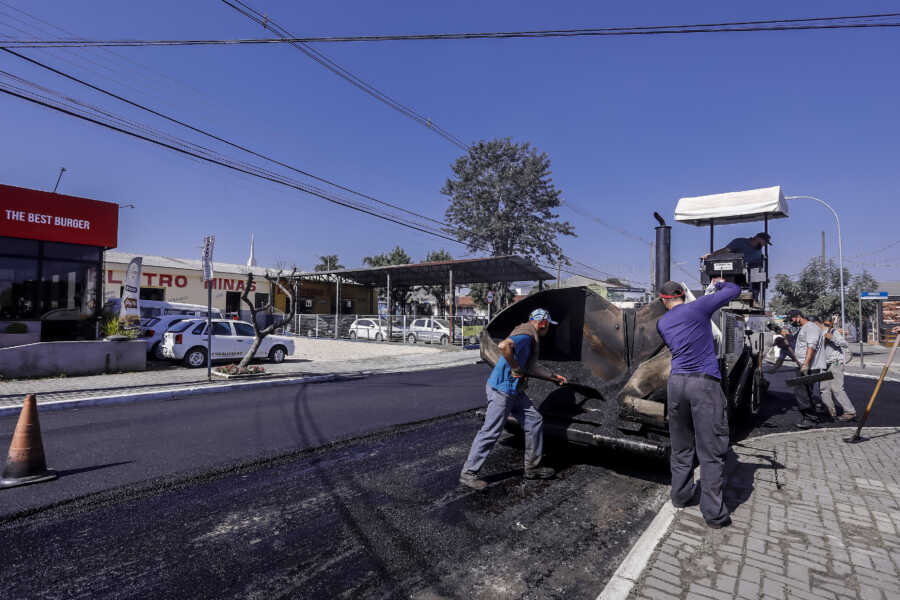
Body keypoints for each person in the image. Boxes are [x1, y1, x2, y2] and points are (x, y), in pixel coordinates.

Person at [656, 278, 741, 529]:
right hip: (703, 385)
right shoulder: (698, 307)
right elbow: (734, 290)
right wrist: (720, 283)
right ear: (683, 294)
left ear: (664, 300)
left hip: (676, 385)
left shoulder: (662, 323)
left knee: (681, 446)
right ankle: (714, 515)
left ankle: (680, 496)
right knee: (711, 452)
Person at [460, 308, 567, 490]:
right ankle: (468, 473)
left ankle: (532, 468)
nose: (548, 329)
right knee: (491, 430)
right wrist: (515, 367)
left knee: (534, 420)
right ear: (542, 323)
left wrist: (553, 377)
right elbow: (503, 346)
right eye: (548, 325)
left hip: (515, 390)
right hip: (502, 389)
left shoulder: (530, 337)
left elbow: (532, 367)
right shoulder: (525, 335)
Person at [788, 309, 828, 429]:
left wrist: (805, 364)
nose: (791, 322)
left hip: (809, 366)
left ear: (798, 316)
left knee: (802, 392)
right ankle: (810, 416)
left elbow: (811, 347)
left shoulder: (811, 328)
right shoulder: (804, 328)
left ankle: (810, 418)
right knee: (804, 392)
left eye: (792, 319)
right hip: (805, 365)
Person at [817, 315, 857, 421]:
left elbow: (844, 344)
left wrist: (832, 338)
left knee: (837, 388)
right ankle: (829, 409)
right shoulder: (816, 333)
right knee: (824, 389)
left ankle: (850, 411)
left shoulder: (833, 331)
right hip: (823, 364)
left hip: (835, 363)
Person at [704, 232, 772, 268]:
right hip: (734, 273)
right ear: (758, 238)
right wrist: (711, 255)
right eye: (765, 242)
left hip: (751, 277)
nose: (765, 245)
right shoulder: (740, 242)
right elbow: (725, 250)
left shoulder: (759, 251)